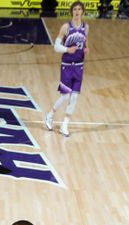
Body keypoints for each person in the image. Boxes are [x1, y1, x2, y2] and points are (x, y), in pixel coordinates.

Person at [44, 1, 89, 138]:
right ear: (72, 11)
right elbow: (56, 47)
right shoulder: (66, 27)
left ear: (82, 11)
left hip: (79, 65)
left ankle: (65, 124)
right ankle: (50, 115)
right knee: (65, 95)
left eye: (79, 9)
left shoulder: (86, 27)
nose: (77, 11)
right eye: (75, 9)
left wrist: (86, 48)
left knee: (74, 96)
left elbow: (85, 41)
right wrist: (67, 49)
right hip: (67, 65)